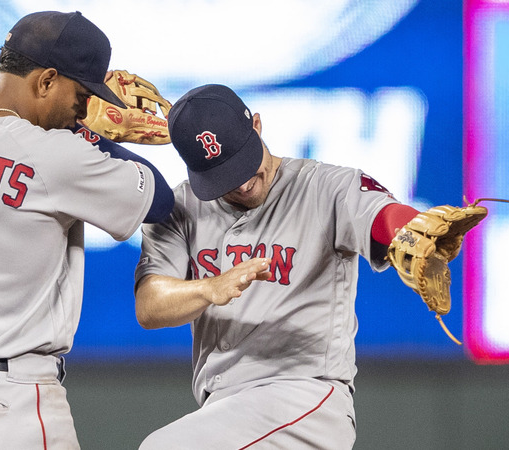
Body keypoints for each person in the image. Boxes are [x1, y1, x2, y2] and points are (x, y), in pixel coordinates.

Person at [0, 11, 173, 450]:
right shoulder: (54, 154)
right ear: (45, 81)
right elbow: (158, 200)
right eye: (82, 95)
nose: (85, 109)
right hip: (7, 401)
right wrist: (92, 136)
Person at [134, 84, 421, 449]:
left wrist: (409, 229)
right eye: (222, 174)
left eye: (242, 161)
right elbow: (149, 304)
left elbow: (382, 215)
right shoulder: (180, 206)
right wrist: (207, 288)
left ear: (256, 125)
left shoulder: (324, 185)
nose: (240, 182)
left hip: (303, 396)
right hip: (224, 411)